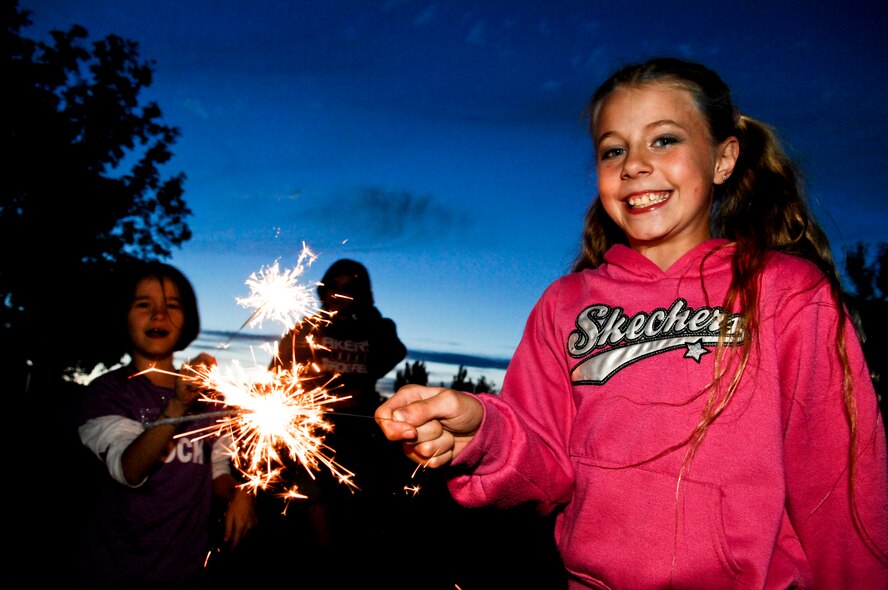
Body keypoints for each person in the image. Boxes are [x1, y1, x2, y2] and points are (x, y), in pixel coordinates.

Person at [375, 57, 888, 588]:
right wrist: (481, 432)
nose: (635, 165)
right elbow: (545, 461)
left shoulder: (787, 292)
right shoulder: (565, 304)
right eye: (613, 149)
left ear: (723, 158)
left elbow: (840, 485)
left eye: (664, 140)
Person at [77, 261, 257, 589]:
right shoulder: (107, 394)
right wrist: (177, 405)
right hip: (112, 575)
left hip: (186, 575)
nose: (159, 315)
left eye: (172, 306)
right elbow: (128, 469)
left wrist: (240, 494)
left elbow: (219, 471)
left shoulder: (211, 399)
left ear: (187, 319)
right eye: (144, 304)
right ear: (122, 315)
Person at [266, 258, 409, 586]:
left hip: (362, 429)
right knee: (313, 495)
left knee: (357, 499)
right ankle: (326, 568)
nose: (342, 295)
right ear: (323, 291)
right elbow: (279, 369)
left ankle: (354, 564)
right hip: (313, 431)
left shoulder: (374, 329)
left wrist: (369, 313)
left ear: (364, 294)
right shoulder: (306, 328)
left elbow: (394, 351)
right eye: (336, 288)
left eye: (352, 289)